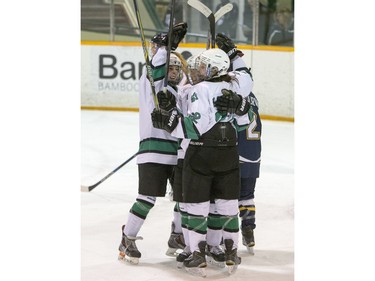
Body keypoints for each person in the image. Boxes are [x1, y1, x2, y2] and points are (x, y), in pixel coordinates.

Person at [151, 48, 253, 277]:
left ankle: (197, 253)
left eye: (203, 66)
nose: (198, 69)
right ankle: (231, 251)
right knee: (227, 207)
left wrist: (168, 124)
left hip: (201, 153)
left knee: (196, 207)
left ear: (214, 68)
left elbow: (194, 128)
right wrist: (242, 107)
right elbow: (244, 123)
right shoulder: (235, 86)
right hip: (229, 154)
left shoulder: (201, 89)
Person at [118, 22, 188, 265]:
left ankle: (177, 237)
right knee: (147, 199)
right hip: (153, 152)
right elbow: (156, 67)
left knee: (183, 199)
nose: (172, 71)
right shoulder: (150, 84)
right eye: (169, 67)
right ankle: (127, 237)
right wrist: (166, 47)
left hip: (177, 154)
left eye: (176, 68)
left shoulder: (181, 92)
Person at [214, 33, 261, 254]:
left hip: (236, 152)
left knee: (228, 197)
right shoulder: (253, 97)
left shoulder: (233, 94)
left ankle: (225, 238)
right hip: (255, 154)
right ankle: (249, 230)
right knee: (248, 195)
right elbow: (244, 74)